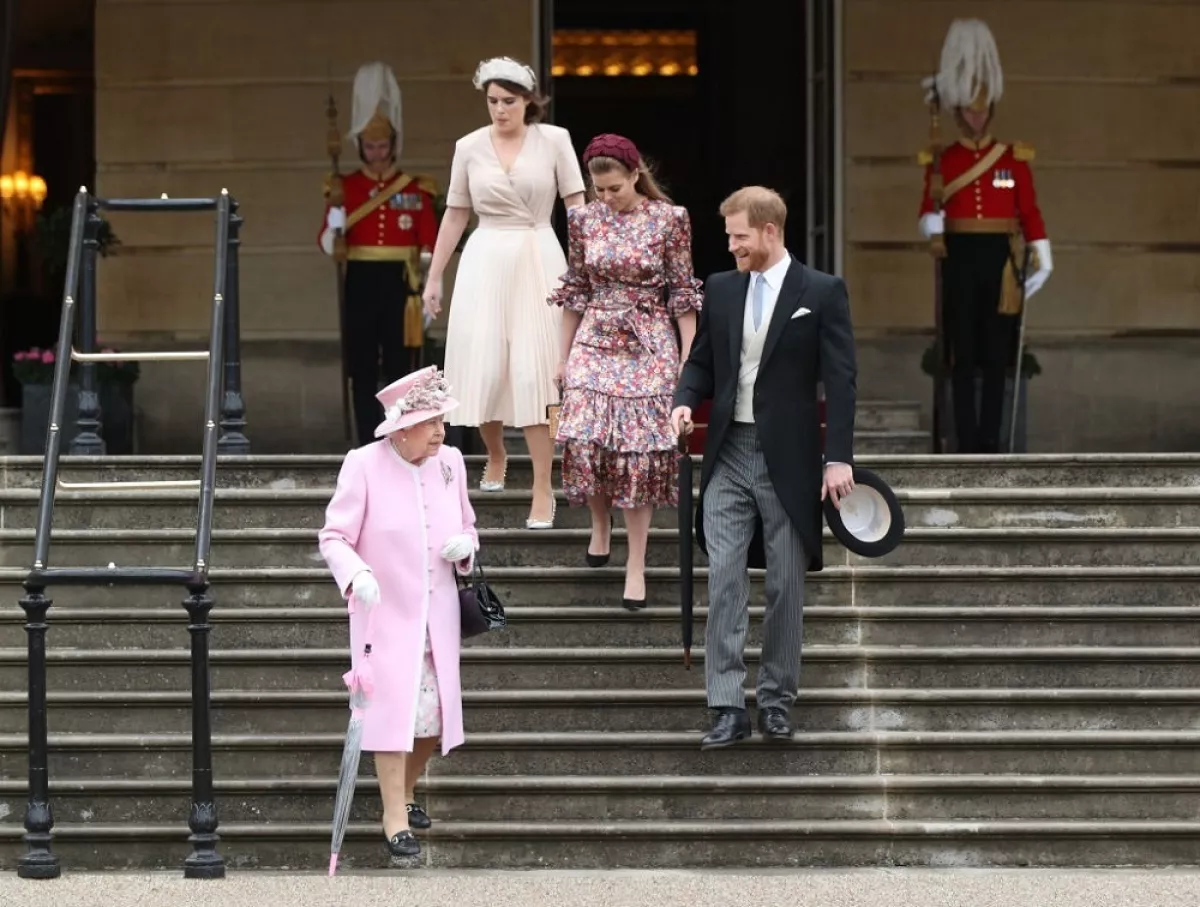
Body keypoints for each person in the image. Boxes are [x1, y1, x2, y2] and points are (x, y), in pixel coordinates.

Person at [671, 186, 858, 750]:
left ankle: (776, 702)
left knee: (784, 587)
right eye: (729, 237)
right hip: (728, 451)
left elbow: (842, 379)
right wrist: (684, 398)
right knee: (724, 579)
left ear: (770, 231)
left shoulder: (821, 291)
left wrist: (838, 457)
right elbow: (701, 360)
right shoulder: (723, 290)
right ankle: (727, 707)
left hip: (791, 458)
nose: (731, 247)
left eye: (739, 236)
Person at [318, 365, 478, 860]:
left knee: (433, 718)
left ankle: (405, 793)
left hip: (440, 614)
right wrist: (356, 574)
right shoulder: (363, 464)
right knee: (391, 715)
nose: (440, 431)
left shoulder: (451, 461)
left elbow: (469, 525)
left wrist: (465, 547)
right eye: (430, 422)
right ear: (401, 426)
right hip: (384, 615)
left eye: (441, 421)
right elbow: (334, 537)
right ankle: (393, 819)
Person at [422, 56, 586, 529]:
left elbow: (576, 206)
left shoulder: (554, 140)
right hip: (486, 256)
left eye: (508, 101)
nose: (499, 109)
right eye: (492, 101)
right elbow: (456, 213)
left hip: (539, 252)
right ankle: (495, 453)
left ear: (529, 101)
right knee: (485, 365)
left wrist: (585, 268)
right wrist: (435, 277)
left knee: (537, 373)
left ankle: (542, 485)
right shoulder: (469, 146)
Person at [549, 133, 701, 609]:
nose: (607, 198)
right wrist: (563, 356)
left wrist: (687, 359)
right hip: (595, 334)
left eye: (615, 188)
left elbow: (681, 293)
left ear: (636, 175)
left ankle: (636, 563)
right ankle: (599, 521)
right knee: (585, 437)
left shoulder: (670, 219)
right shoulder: (581, 220)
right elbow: (575, 289)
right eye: (600, 190)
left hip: (649, 337)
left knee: (639, 454)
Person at [917, 18, 1053, 453]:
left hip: (999, 258)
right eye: (969, 110)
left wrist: (1042, 252)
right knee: (962, 353)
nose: (976, 117)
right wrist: (930, 223)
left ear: (991, 110)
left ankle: (992, 440)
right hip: (959, 254)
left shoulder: (1012, 158)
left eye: (982, 110)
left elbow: (1028, 209)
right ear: (958, 113)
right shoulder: (943, 159)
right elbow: (927, 207)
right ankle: (967, 440)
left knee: (997, 354)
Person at [318, 61, 440, 447]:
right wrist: (336, 224)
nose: (376, 152)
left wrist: (425, 292)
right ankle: (368, 439)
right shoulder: (344, 186)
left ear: (392, 144)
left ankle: (403, 436)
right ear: (360, 146)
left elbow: (429, 245)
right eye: (370, 146)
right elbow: (325, 241)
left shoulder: (416, 189)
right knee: (362, 365)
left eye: (382, 145)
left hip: (401, 284)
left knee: (401, 366)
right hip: (360, 279)